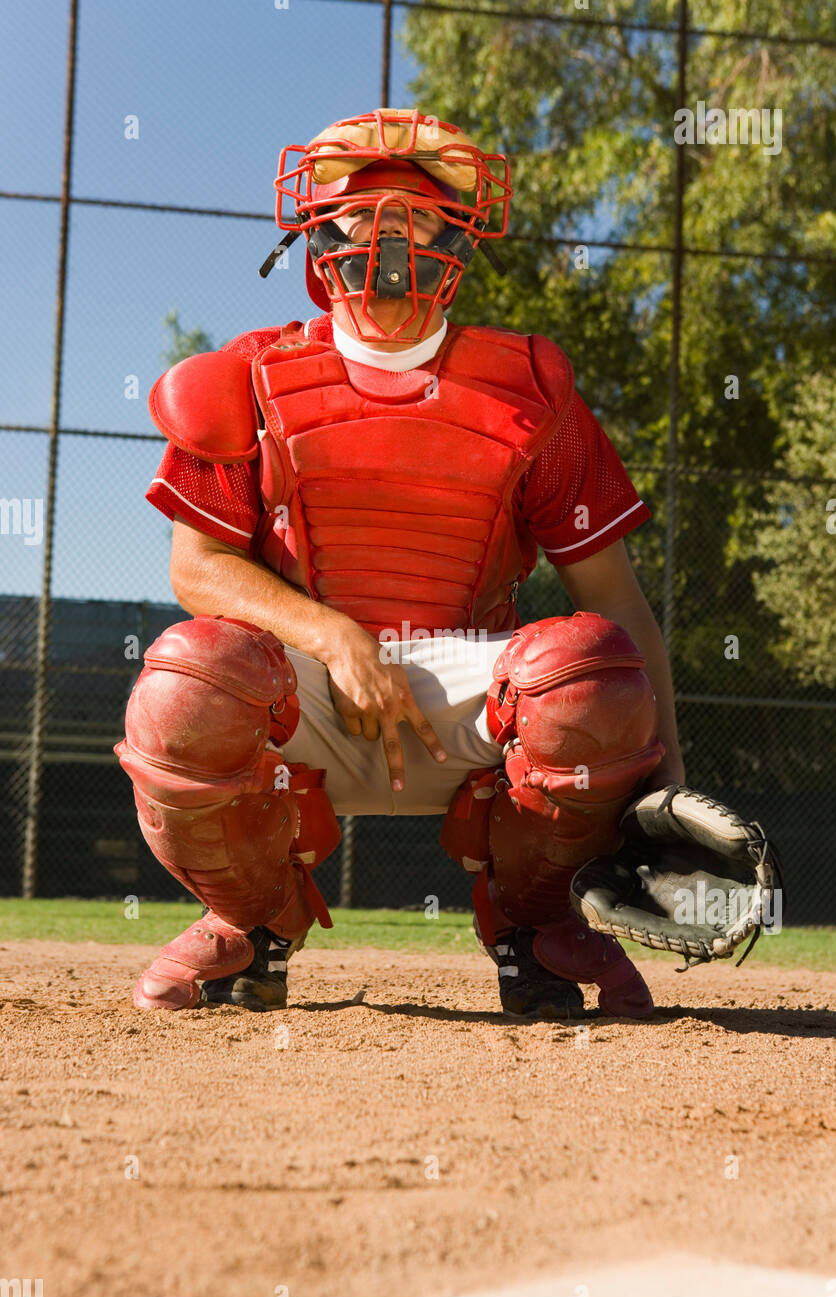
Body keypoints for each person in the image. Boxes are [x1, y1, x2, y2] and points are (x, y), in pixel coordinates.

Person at [116, 108, 685, 1019]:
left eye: (416, 213)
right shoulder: (248, 375)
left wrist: (668, 788)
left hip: (471, 712)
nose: (388, 234)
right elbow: (198, 570)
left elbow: (620, 604)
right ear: (317, 237)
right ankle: (250, 922)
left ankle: (536, 927)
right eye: (363, 210)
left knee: (589, 672)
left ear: (457, 237)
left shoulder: (534, 389)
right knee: (187, 681)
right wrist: (335, 637)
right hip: (302, 699)